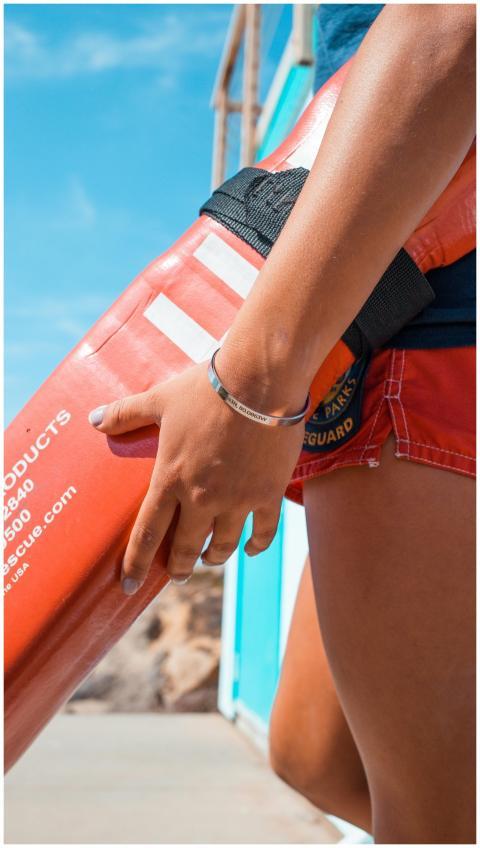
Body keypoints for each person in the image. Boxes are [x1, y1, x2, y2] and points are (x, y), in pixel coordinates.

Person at [88, 4, 475, 842]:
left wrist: (254, 381)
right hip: (376, 310)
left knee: (435, 821)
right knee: (312, 752)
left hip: (440, 309)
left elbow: (453, 19)